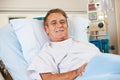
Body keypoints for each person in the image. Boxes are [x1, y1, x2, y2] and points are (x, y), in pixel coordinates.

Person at [28, 8, 101, 80]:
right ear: (46, 29)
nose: (59, 25)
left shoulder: (88, 46)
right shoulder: (46, 53)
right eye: (54, 23)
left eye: (62, 22)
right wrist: (77, 72)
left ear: (67, 25)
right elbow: (48, 78)